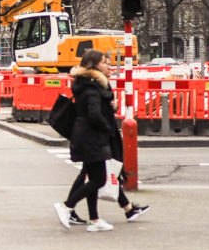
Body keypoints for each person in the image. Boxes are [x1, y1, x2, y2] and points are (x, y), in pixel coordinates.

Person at [53, 48, 146, 232]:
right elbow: (94, 114)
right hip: (91, 138)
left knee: (92, 178)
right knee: (99, 179)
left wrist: (111, 105)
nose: (109, 66)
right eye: (105, 62)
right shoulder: (93, 87)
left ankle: (94, 220)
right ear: (93, 65)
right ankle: (66, 206)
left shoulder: (86, 84)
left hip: (87, 137)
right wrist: (106, 126)